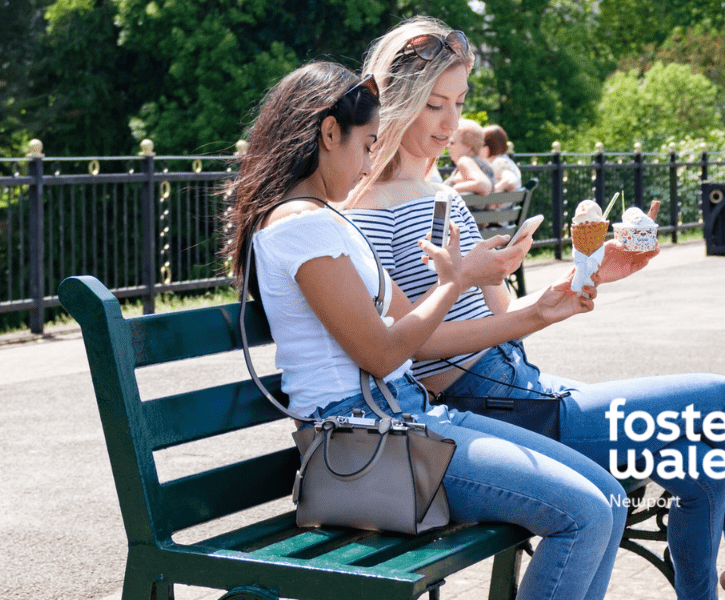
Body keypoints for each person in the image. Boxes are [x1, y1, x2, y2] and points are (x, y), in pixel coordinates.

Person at [344, 17, 725, 600]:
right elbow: (413, 345)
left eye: (459, 102)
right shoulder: (366, 211)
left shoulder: (443, 194)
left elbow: (501, 312)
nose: (451, 123)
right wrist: (518, 308)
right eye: (434, 105)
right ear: (397, 101)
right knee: (718, 398)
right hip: (485, 410)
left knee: (704, 468)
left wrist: (593, 274)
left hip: (521, 389)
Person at [221, 61, 628, 600]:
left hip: (404, 421)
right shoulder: (301, 227)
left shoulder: (332, 221)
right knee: (583, 513)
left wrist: (538, 313)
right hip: (362, 440)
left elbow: (422, 340)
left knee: (608, 497)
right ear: (328, 132)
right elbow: (381, 352)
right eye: (367, 143)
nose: (370, 160)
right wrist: (455, 283)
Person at [444, 118, 494, 195]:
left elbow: (484, 185)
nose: (447, 146)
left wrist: (450, 190)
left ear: (468, 146)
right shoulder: (481, 163)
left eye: (452, 142)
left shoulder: (465, 161)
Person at [483, 124, 523, 193]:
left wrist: (492, 192)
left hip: (498, 202)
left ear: (487, 146)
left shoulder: (500, 162)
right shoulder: (506, 160)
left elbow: (511, 181)